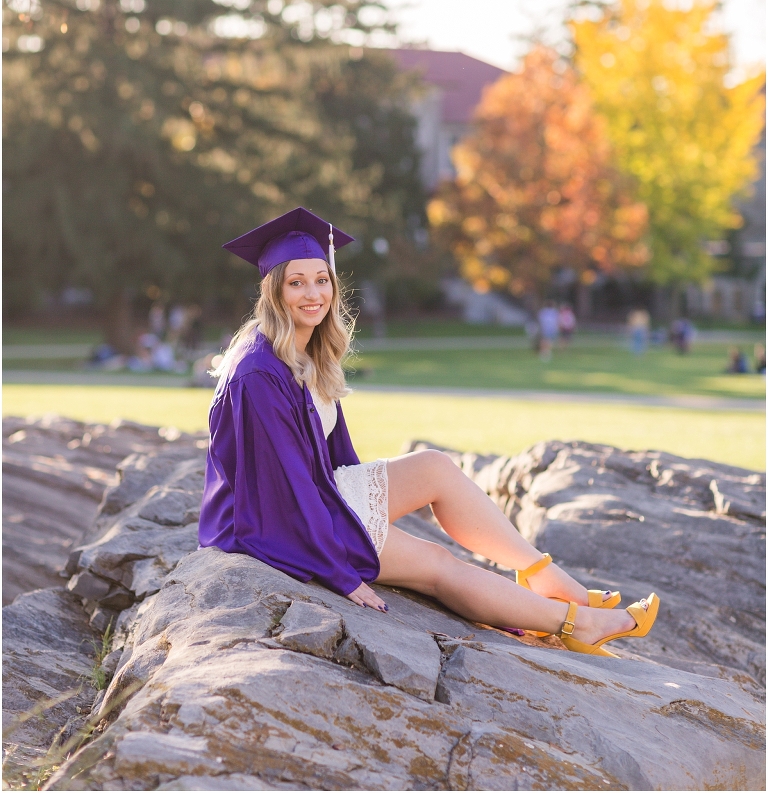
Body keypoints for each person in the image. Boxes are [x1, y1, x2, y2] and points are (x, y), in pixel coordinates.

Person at [198, 208, 659, 656]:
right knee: (439, 565)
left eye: (322, 279)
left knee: (435, 467)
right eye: (296, 283)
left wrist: (372, 503)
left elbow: (332, 454)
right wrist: (339, 571)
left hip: (317, 493)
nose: (313, 293)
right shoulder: (258, 374)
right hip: (272, 519)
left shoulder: (305, 349)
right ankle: (580, 624)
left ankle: (542, 574)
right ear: (274, 291)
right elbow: (285, 484)